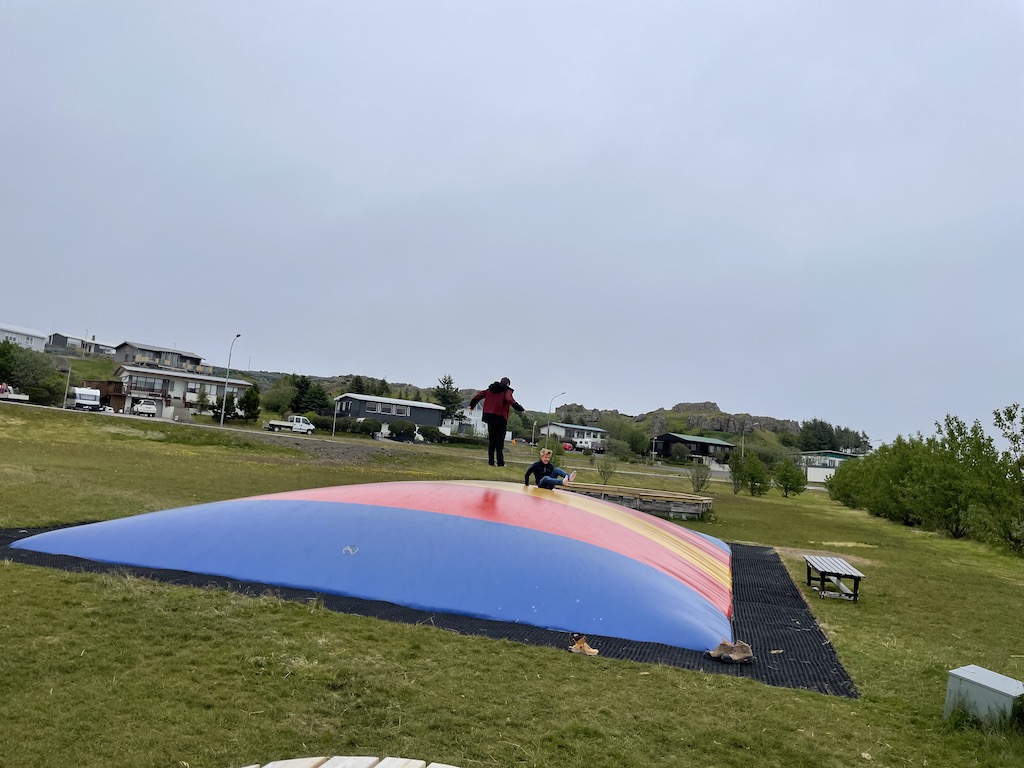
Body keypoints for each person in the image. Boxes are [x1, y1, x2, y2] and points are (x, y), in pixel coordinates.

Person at [469, 377, 525, 467]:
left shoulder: (490, 389)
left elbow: (478, 395)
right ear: (507, 384)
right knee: (499, 442)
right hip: (500, 417)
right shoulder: (507, 390)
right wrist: (520, 409)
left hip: (489, 416)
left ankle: (491, 462)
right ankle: (500, 462)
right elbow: (509, 399)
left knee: (492, 441)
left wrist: (471, 405)